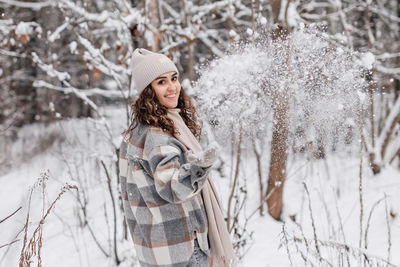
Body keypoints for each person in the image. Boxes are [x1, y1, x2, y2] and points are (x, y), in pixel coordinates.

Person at [119, 48, 235, 267]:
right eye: (161, 82)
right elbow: (173, 188)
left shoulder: (137, 132)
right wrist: (199, 168)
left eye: (174, 78)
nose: (172, 87)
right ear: (148, 91)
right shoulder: (158, 135)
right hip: (184, 248)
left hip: (158, 248)